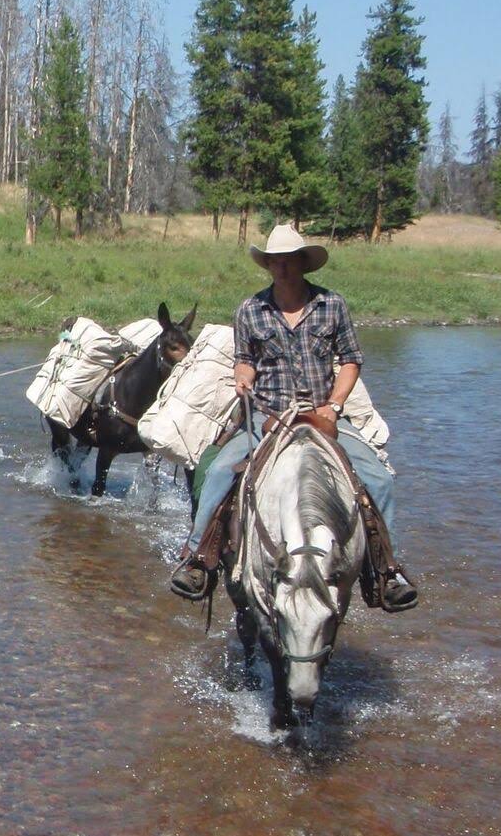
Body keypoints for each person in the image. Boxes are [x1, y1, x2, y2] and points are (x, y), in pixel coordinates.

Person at [170, 224, 417, 609]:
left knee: (379, 480)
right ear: (267, 265)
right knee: (218, 473)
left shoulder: (331, 305)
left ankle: (387, 570)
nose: (282, 268)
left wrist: (333, 407)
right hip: (266, 414)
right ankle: (199, 558)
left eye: (288, 261)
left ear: (303, 263)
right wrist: (242, 378)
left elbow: (351, 360)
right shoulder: (250, 310)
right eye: (275, 262)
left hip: (322, 415)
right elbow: (245, 360)